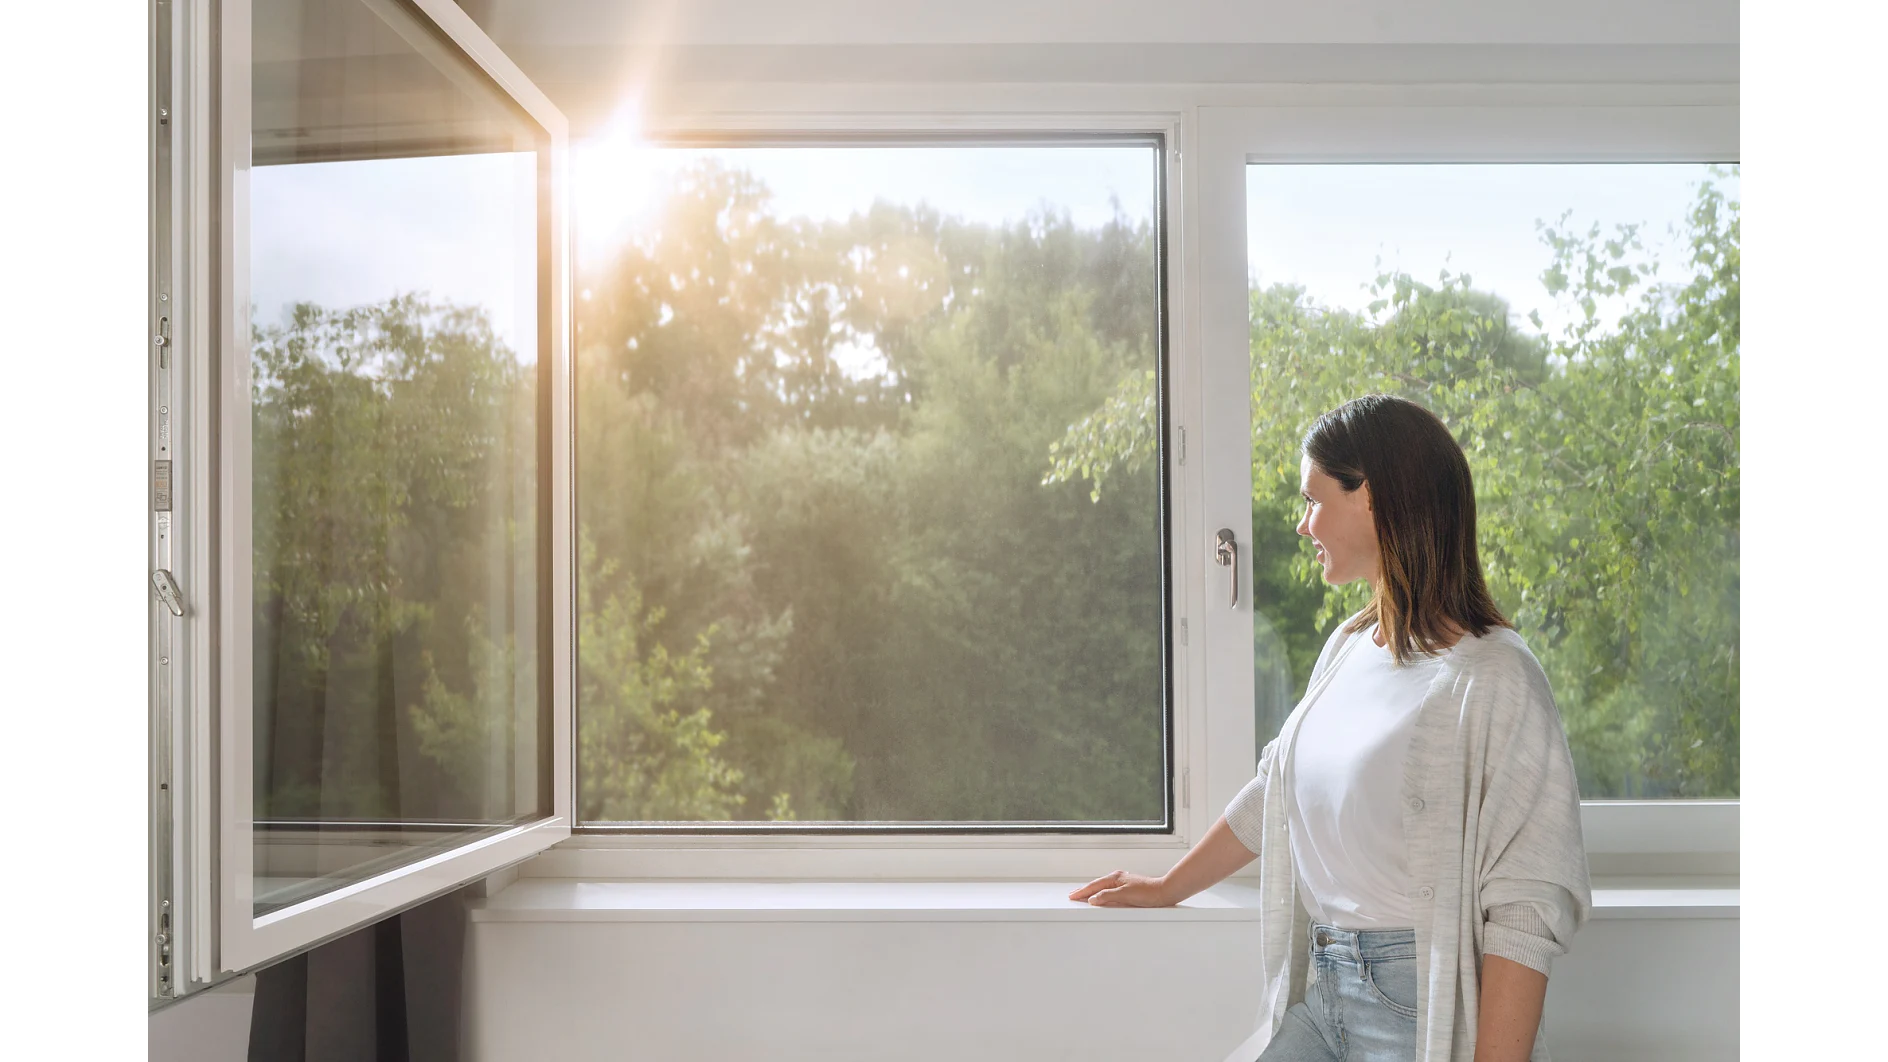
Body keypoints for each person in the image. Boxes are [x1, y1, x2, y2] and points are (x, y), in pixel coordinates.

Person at [1070, 394, 1590, 1062]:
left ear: (1372, 497)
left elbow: (1527, 905)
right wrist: (1169, 886)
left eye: (1312, 500)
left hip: (1416, 1013)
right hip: (1324, 995)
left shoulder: (1496, 676)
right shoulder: (1348, 647)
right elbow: (1275, 791)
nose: (1301, 524)